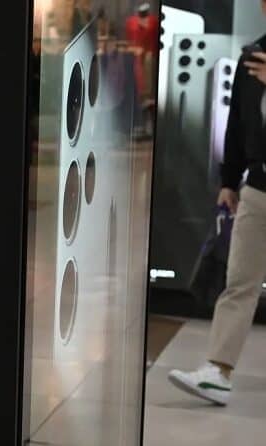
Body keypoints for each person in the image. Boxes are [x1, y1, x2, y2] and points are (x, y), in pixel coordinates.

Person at [168, 0, 266, 406]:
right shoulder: (252, 58)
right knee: (239, 282)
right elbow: (238, 124)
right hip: (259, 187)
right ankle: (218, 371)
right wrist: (229, 181)